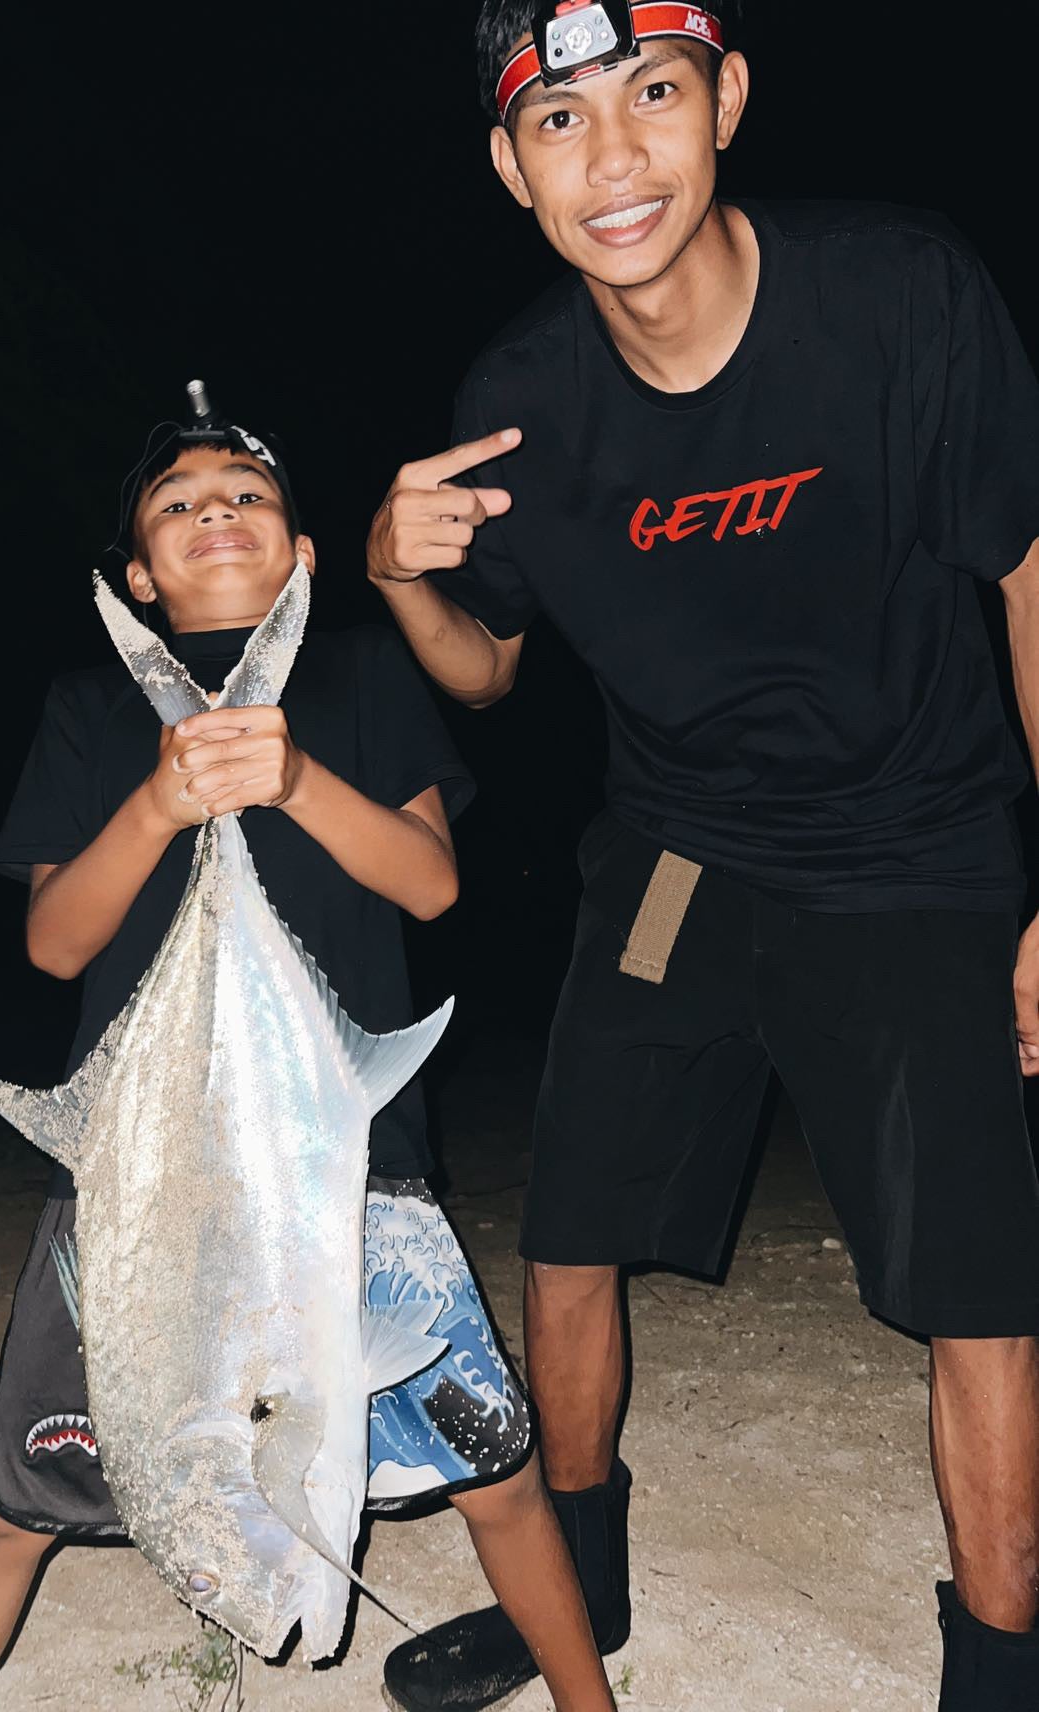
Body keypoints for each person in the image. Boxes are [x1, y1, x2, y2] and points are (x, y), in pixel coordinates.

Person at [365, 4, 1039, 1708]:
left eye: (654, 96)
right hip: (677, 851)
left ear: (727, 99)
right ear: (513, 169)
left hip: (918, 841)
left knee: (976, 1283)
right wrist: (398, 578)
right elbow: (492, 671)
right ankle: (574, 1602)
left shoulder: (900, 296)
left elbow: (1029, 570)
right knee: (569, 1226)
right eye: (562, 124)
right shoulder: (518, 399)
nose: (617, 159)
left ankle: (1002, 1659)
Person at [0, 393, 619, 1712]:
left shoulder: (363, 678)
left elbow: (433, 887)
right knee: (11, 1506)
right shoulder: (88, 708)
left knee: (500, 1482)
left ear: (306, 557)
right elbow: (55, 943)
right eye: (177, 506)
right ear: (138, 579)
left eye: (248, 497)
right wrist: (165, 801)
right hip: (142, 1175)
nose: (214, 512)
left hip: (348, 1159)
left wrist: (287, 783)